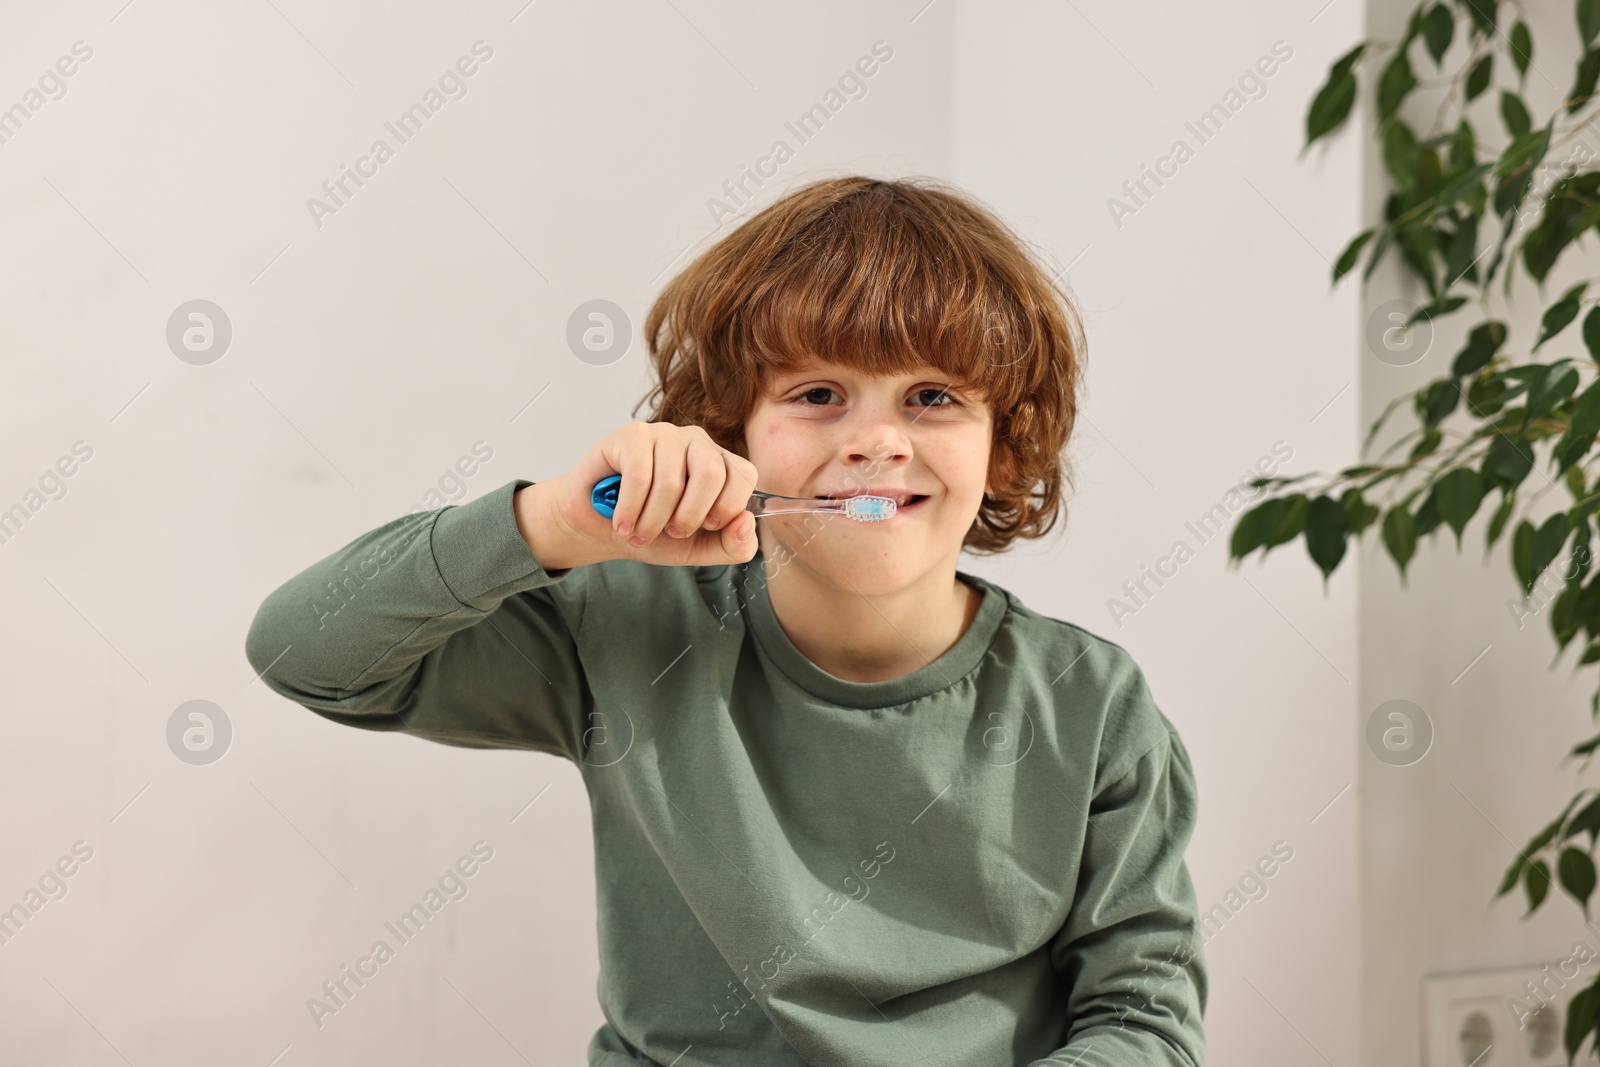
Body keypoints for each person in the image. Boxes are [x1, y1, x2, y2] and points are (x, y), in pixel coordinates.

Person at [244, 175, 1208, 1066]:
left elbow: (1144, 1020)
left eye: (933, 397)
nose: (876, 440)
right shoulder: (621, 631)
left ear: (1005, 447)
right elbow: (305, 651)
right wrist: (555, 521)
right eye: (818, 394)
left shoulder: (1091, 703)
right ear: (731, 433)